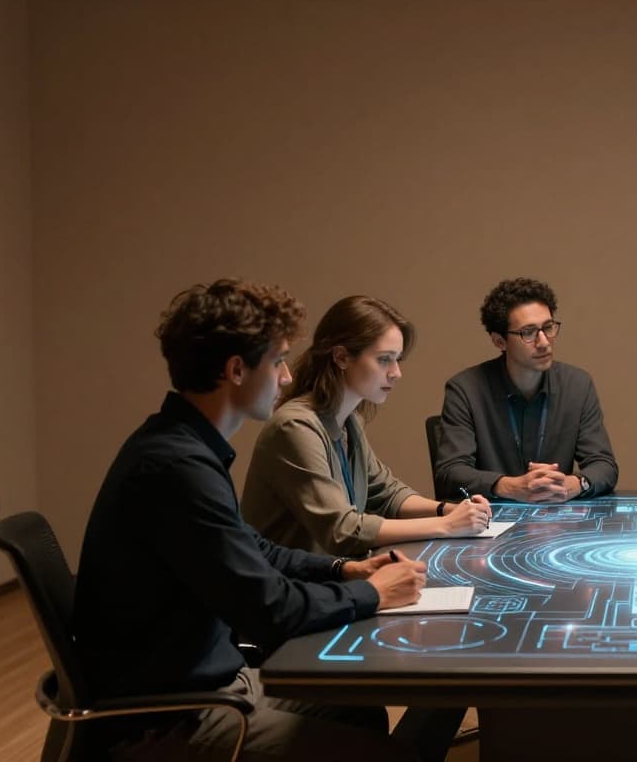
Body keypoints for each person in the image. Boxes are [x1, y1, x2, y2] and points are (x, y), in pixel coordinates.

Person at [70, 279, 453, 761]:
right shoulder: (176, 468)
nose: (288, 377)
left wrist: (346, 570)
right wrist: (373, 593)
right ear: (235, 370)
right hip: (173, 714)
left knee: (359, 709)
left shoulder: (182, 448)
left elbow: (257, 548)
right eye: (277, 362)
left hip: (212, 680)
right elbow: (270, 610)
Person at [243, 295, 493, 555]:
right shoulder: (294, 427)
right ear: (341, 357)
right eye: (385, 359)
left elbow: (386, 492)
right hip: (292, 587)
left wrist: (446, 509)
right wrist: (445, 525)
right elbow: (343, 530)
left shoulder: (350, 419)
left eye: (398, 360)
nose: (396, 372)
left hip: (331, 578)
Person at [434, 277, 618, 502]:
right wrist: (509, 486)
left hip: (557, 521)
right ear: (499, 341)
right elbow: (450, 472)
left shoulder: (577, 385)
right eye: (528, 332)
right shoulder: (465, 390)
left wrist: (575, 484)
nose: (544, 342)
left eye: (548, 327)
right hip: (489, 521)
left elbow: (604, 465)